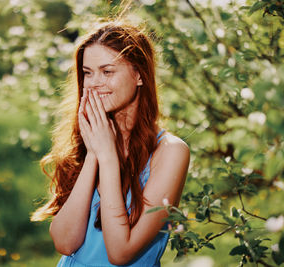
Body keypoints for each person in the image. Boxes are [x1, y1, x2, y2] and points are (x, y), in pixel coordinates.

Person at [31, 21, 190, 267]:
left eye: (107, 71)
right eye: (87, 73)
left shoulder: (170, 152)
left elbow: (120, 253)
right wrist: (95, 151)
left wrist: (107, 157)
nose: (94, 83)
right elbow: (65, 243)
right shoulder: (89, 140)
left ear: (139, 75)